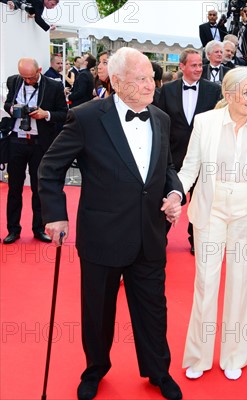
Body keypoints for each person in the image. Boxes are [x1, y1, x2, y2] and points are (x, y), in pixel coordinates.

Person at [38, 47, 184, 400]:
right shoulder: (87, 117)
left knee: (153, 309)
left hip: (149, 234)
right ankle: (95, 369)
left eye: (152, 77)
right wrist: (56, 214)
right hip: (102, 236)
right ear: (116, 82)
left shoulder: (160, 119)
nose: (152, 84)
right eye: (142, 78)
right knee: (98, 312)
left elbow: (164, 170)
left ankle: (158, 371)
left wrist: (176, 194)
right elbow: (50, 167)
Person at [178, 67, 247, 381]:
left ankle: (234, 354)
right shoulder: (205, 122)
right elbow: (189, 168)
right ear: (229, 94)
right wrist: (172, 195)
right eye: (246, 92)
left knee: (239, 282)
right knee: (206, 283)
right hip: (211, 207)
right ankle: (199, 355)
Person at [156, 48, 221, 253]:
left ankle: (196, 240)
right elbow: (160, 122)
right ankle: (159, 237)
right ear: (182, 66)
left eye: (200, 65)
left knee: (201, 199)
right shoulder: (167, 90)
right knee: (169, 195)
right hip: (173, 155)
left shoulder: (213, 90)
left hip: (202, 155)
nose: (198, 69)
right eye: (193, 65)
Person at [2, 57, 67, 244]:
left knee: (39, 189)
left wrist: (44, 114)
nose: (27, 81)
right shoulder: (14, 81)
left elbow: (64, 114)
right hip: (16, 141)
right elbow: (7, 103)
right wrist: (13, 108)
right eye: (24, 77)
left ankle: (39, 228)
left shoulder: (53, 87)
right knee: (14, 188)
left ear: (39, 71)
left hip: (39, 143)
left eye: (30, 77)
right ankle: (13, 229)